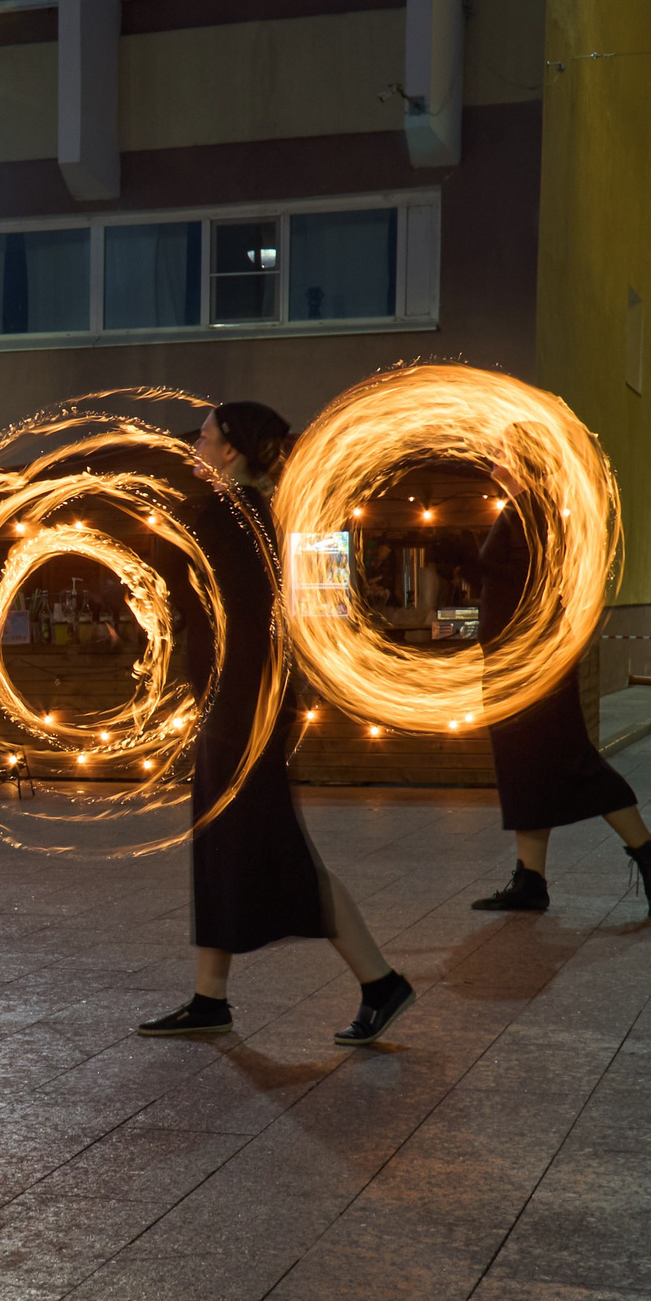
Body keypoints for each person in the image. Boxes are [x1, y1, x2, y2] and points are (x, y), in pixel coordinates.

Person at [137, 403, 415, 1047]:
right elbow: (314, 600)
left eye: (204, 435)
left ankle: (380, 982)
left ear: (230, 448)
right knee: (224, 846)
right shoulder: (273, 513)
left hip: (239, 707)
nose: (196, 444)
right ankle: (210, 998)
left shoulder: (218, 513)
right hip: (253, 699)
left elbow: (179, 592)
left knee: (275, 850)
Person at [466, 470, 651, 916]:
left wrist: (473, 561)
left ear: (522, 460)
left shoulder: (533, 507)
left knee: (570, 761)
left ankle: (650, 852)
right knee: (529, 771)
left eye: (502, 451)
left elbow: (532, 579)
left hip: (531, 663)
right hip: (520, 659)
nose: (493, 460)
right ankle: (531, 880)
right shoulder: (528, 506)